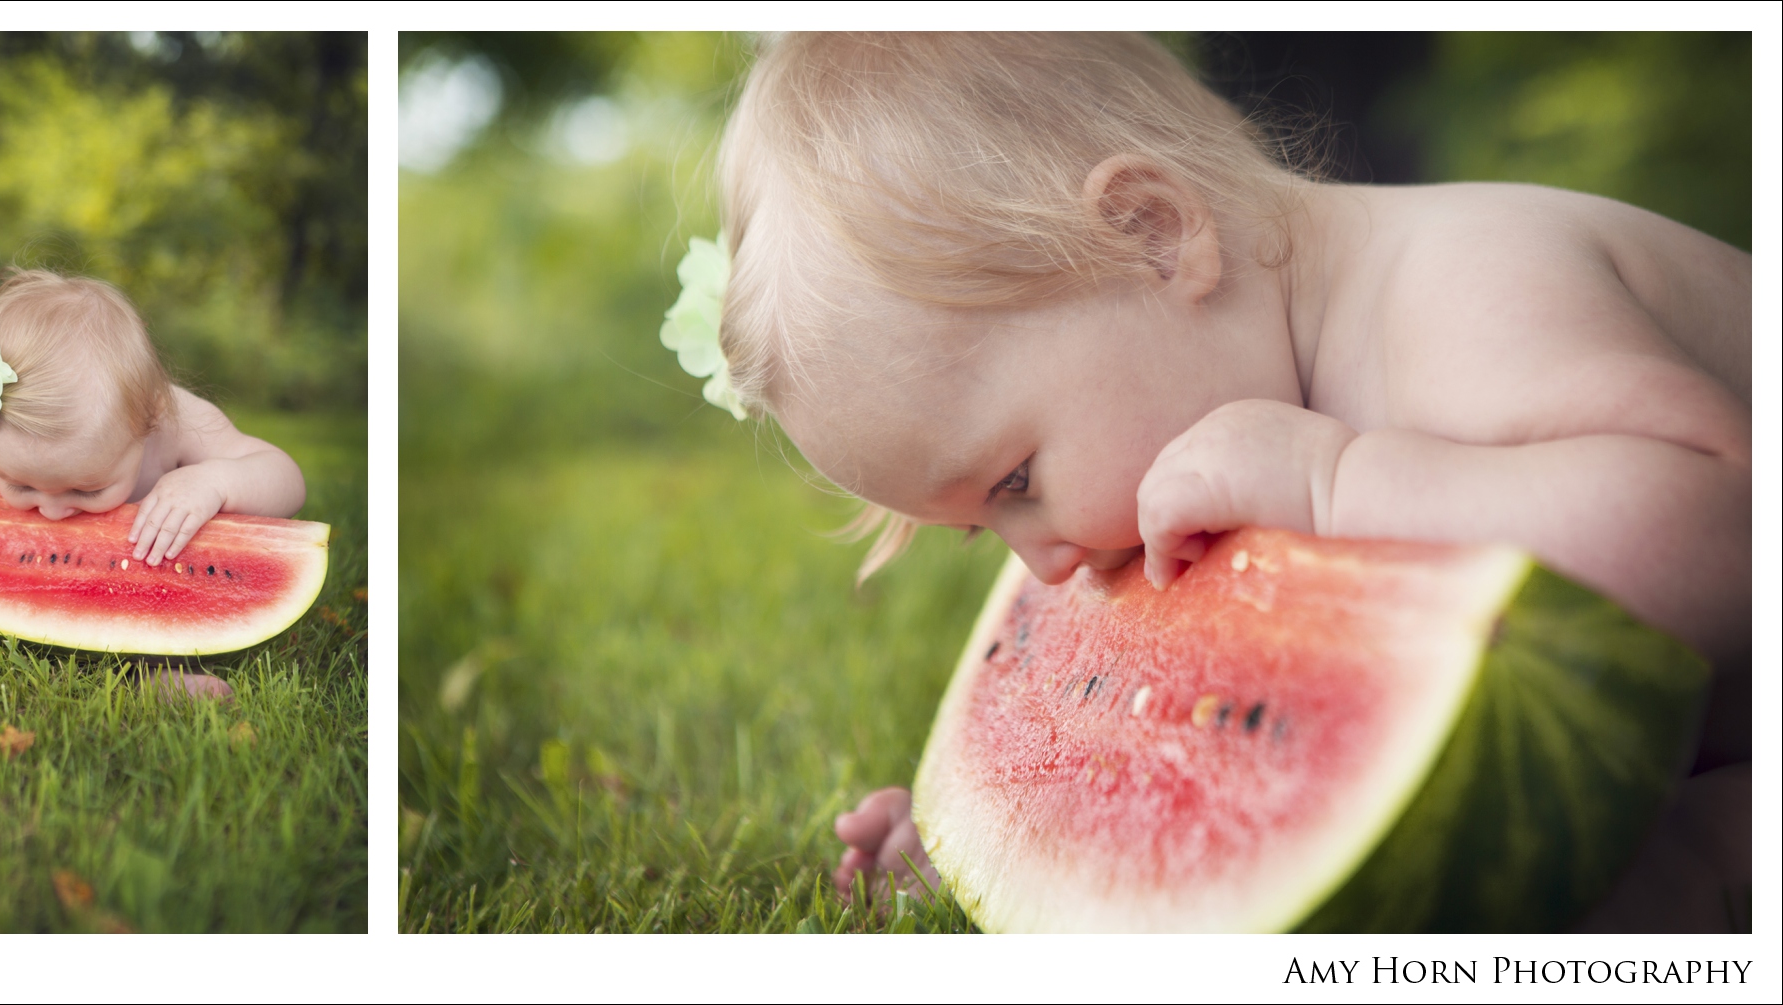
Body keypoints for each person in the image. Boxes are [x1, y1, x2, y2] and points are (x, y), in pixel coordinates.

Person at [660, 33, 1750, 929]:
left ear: (1149, 234)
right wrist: (1001, 837)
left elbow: (1717, 530)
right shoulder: (1237, 378)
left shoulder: (1465, 289)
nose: (1042, 562)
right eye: (975, 530)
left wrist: (1338, 486)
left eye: (1016, 479)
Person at [0, 269, 309, 701]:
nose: (53, 511)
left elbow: (283, 476)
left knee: (155, 622)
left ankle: (158, 676)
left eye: (85, 491)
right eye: (20, 485)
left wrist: (216, 480)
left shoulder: (174, 419)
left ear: (147, 421)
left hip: (131, 599)